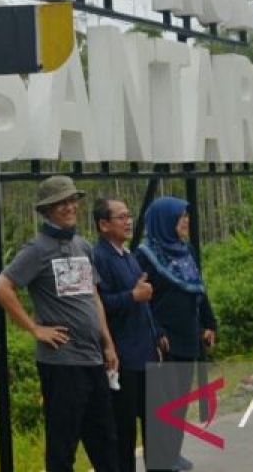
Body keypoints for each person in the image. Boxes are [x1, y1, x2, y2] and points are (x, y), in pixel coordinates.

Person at [0, 175, 120, 472]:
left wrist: (108, 343)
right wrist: (35, 328)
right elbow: (1, 288)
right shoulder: (37, 249)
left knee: (105, 442)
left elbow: (93, 297)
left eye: (72, 200)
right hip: (61, 364)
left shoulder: (83, 246)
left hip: (92, 358)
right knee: (63, 447)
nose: (69, 206)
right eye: (61, 202)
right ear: (47, 209)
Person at [136, 196, 216, 472]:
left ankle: (173, 453)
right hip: (164, 341)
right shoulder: (145, 255)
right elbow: (142, 301)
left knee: (179, 401)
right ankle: (160, 460)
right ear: (165, 221)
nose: (186, 221)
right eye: (180, 217)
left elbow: (198, 289)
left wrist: (209, 323)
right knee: (162, 404)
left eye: (186, 216)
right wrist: (156, 331)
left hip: (189, 336)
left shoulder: (185, 250)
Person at [92, 197, 158, 472]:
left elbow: (140, 301)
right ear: (104, 224)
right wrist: (132, 295)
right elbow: (100, 304)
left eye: (129, 215)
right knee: (125, 431)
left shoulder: (127, 254)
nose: (128, 221)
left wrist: (157, 334)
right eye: (121, 217)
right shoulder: (100, 258)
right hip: (124, 358)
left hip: (145, 352)